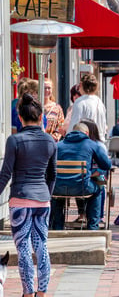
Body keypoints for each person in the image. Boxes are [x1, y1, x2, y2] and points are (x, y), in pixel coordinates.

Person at [0, 93, 56, 297]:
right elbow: (52, 174)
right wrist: (46, 195)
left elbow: (5, 174)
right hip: (42, 200)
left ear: (19, 117)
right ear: (41, 117)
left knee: (23, 247)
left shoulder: (14, 140)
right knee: (41, 245)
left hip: (20, 199)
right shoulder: (50, 141)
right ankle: (42, 292)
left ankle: (28, 292)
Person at [51, 123, 112, 230]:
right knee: (98, 189)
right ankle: (93, 226)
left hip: (58, 188)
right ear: (87, 133)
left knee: (56, 194)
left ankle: (57, 226)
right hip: (82, 187)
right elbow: (107, 165)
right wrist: (92, 172)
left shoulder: (58, 145)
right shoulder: (92, 144)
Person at [68, 74, 107, 142]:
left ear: (81, 85)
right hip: (99, 142)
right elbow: (103, 126)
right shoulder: (100, 102)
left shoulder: (80, 102)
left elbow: (74, 124)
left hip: (84, 143)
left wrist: (68, 138)